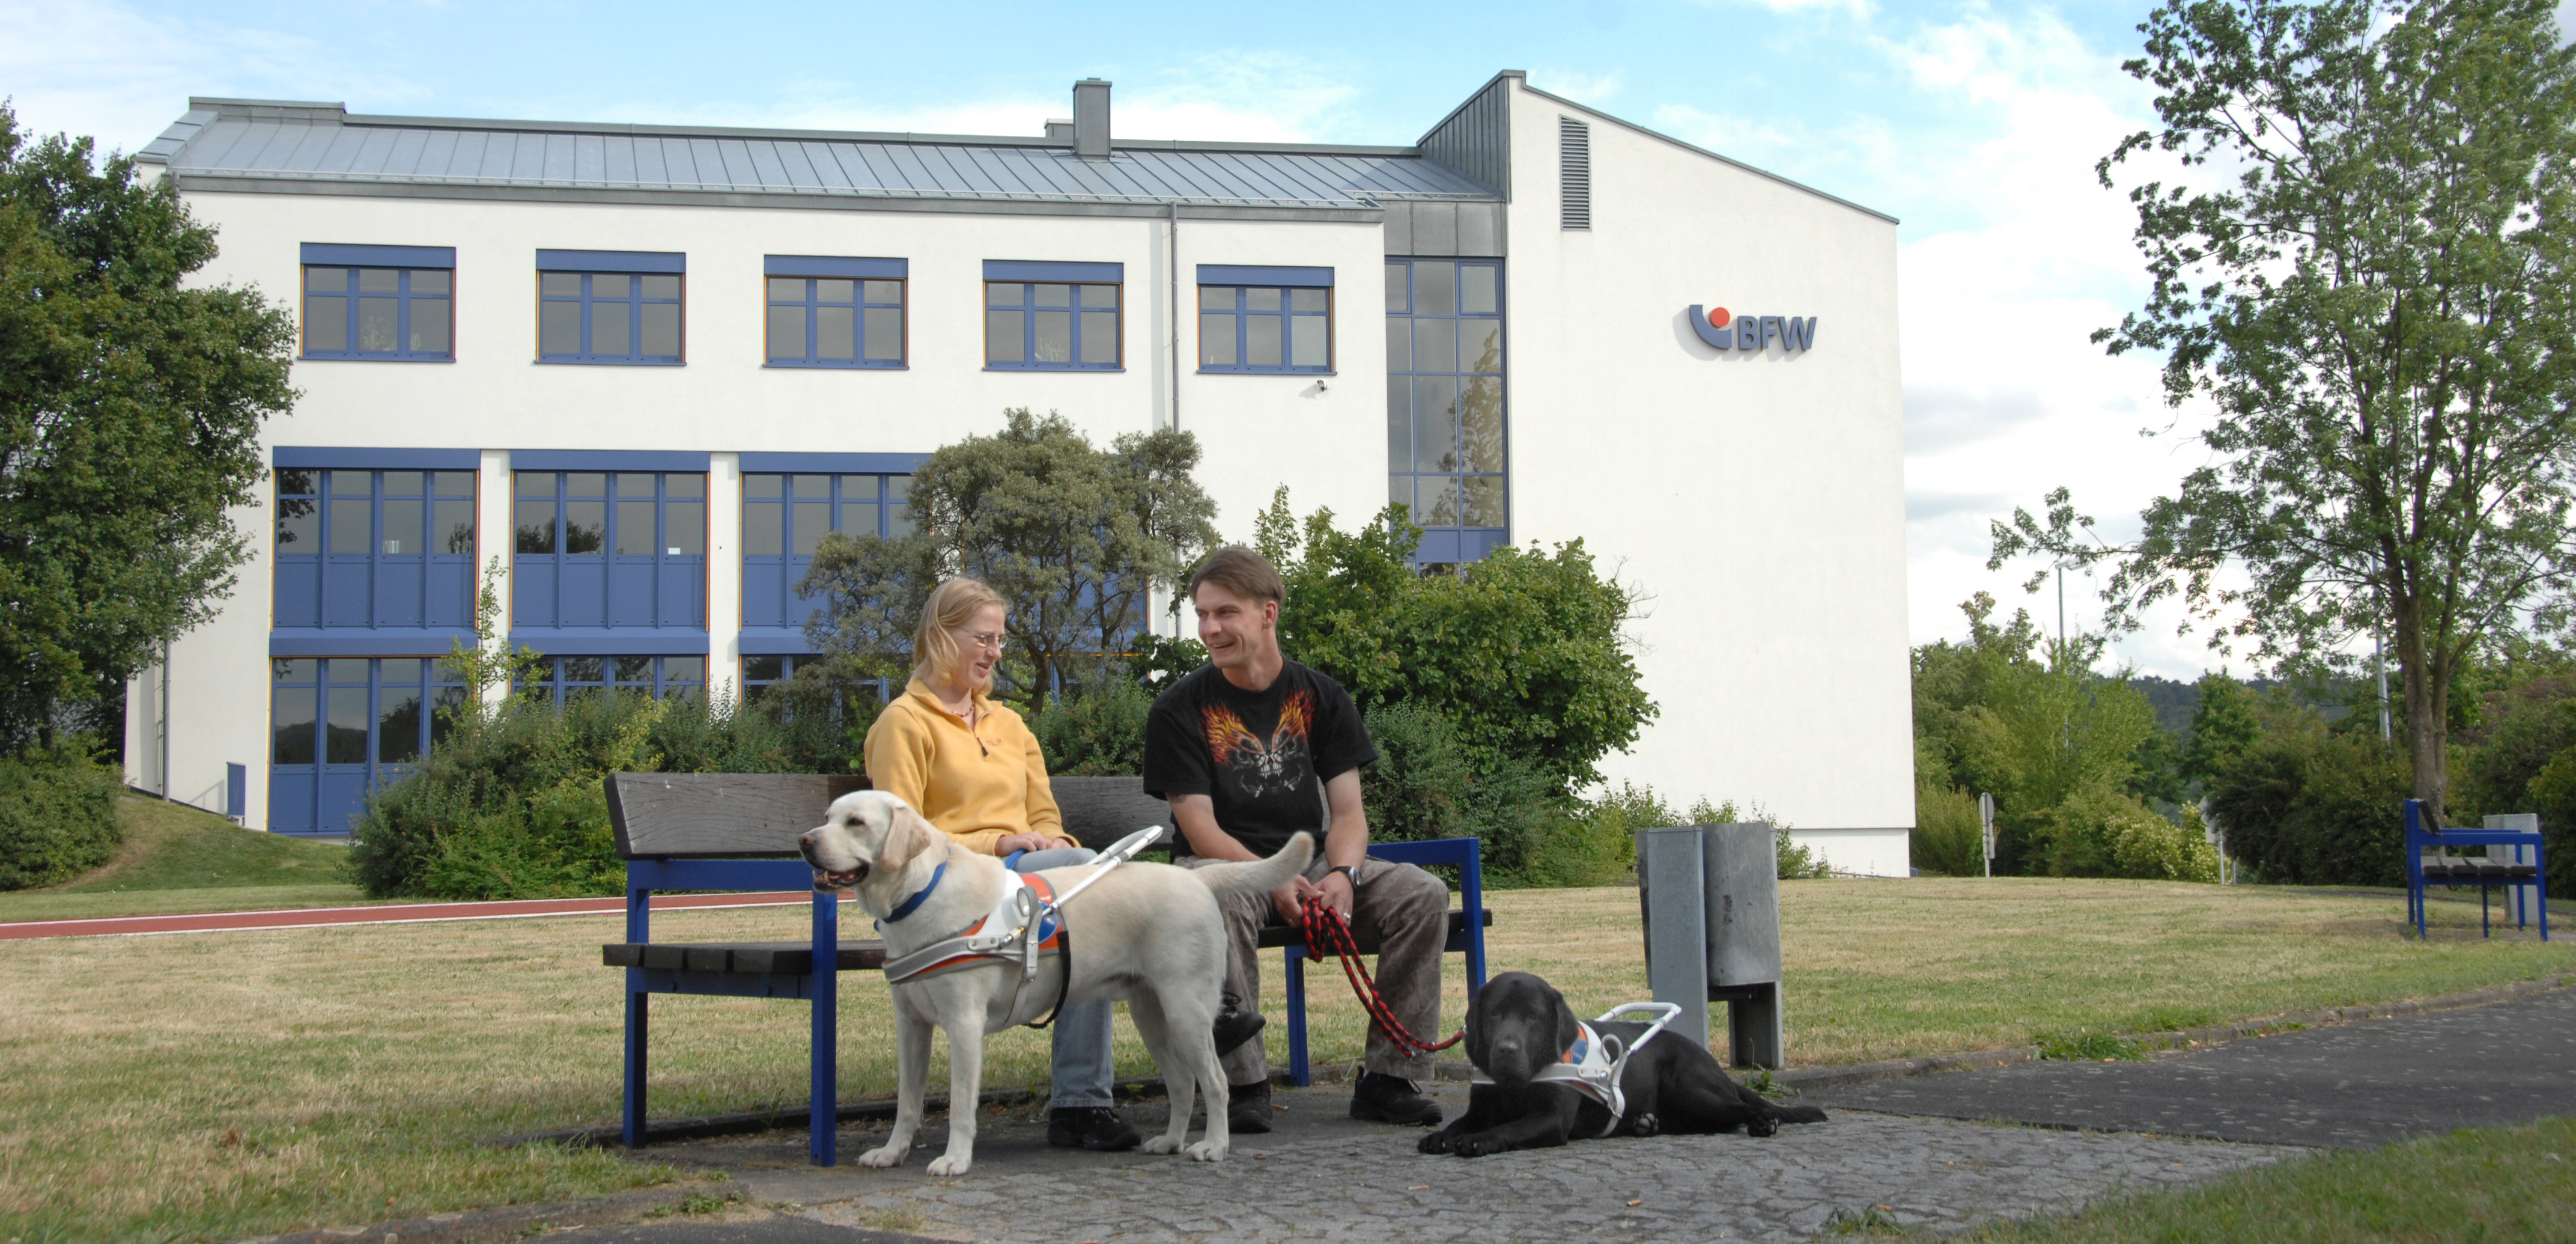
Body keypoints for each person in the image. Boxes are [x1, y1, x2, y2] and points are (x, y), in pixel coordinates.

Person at [1142, 546, 1450, 1133]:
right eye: (1202, 614)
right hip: (1220, 867)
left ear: (1268, 613)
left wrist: (1345, 875)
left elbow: (1349, 814)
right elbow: (1199, 828)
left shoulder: (1322, 697)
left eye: (1224, 613)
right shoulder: (1178, 710)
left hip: (1311, 865)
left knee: (1423, 894)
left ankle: (1390, 1079)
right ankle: (1240, 1085)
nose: (1209, 628)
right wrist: (1270, 875)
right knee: (1216, 901)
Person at [863, 576, 1141, 1151]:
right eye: (982, 638)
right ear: (941, 635)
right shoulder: (903, 722)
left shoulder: (1010, 725)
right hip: (945, 896)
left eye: (1000, 640)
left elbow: (1045, 815)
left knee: (1085, 886)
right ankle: (1082, 1103)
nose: (995, 652)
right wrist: (998, 845)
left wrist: (1041, 840)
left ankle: (1084, 1101)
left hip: (1025, 884)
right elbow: (901, 834)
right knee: (1088, 882)